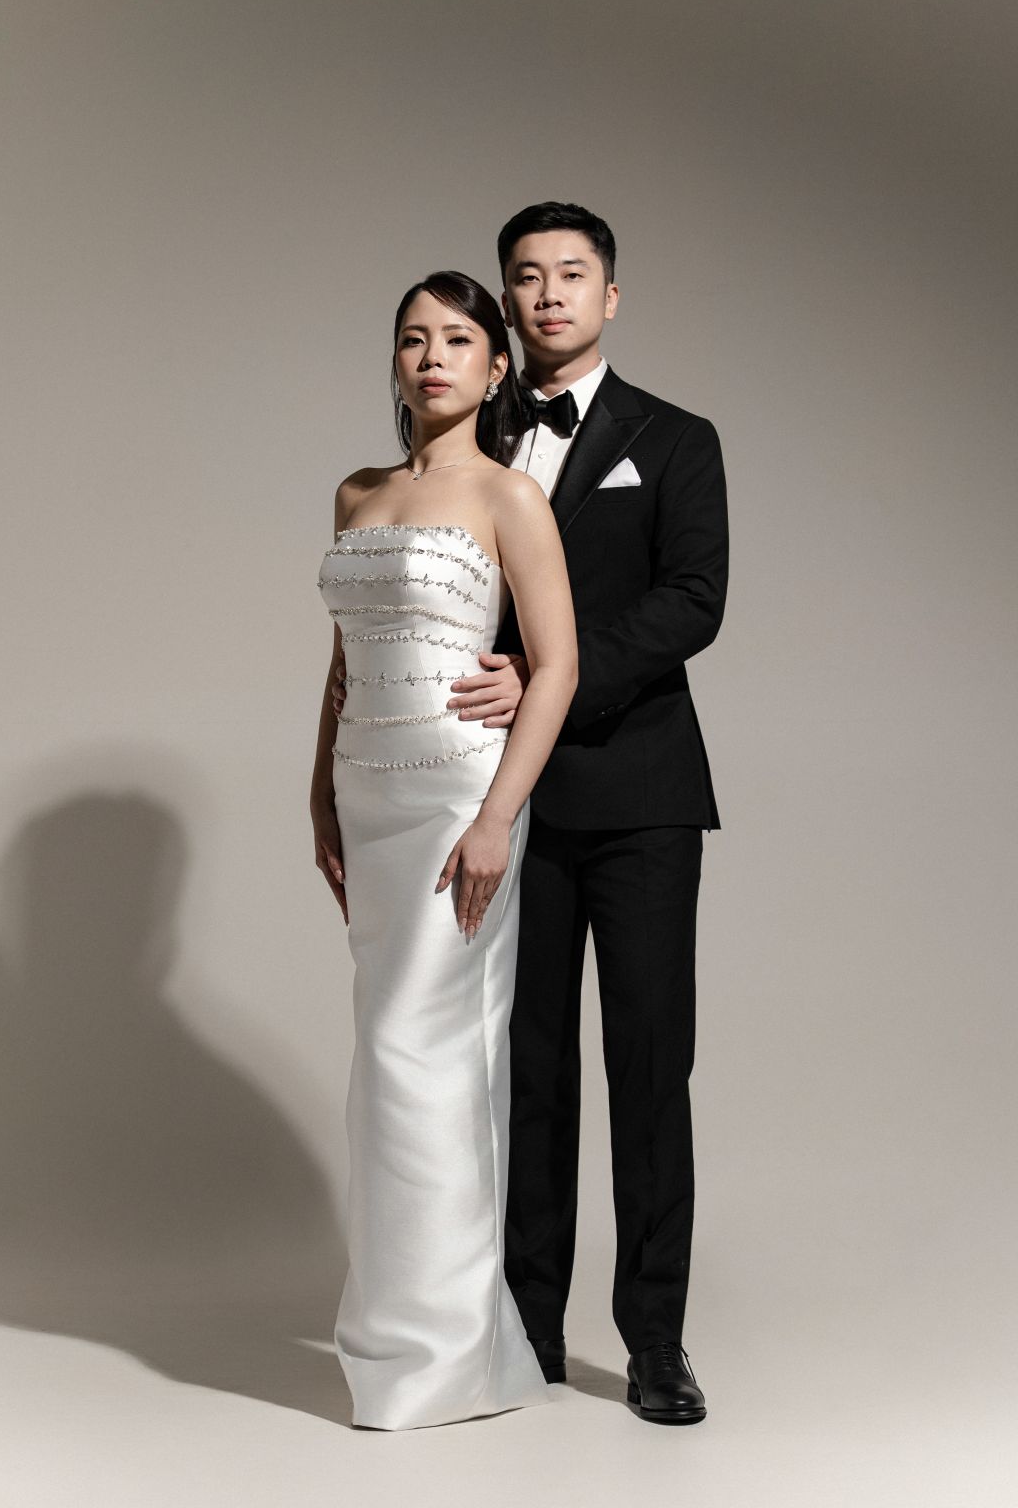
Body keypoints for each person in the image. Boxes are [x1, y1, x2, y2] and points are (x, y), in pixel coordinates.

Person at [447, 203, 729, 1424]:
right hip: (505, 795)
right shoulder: (470, 436)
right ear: (506, 300)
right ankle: (529, 1326)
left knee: (648, 1065)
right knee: (530, 1068)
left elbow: (693, 600)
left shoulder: (674, 438)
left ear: (609, 296)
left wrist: (549, 672)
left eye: (571, 273)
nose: (549, 292)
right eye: (527, 276)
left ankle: (655, 1340)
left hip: (641, 793)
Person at [310, 270, 578, 1431]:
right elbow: (342, 660)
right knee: (383, 1057)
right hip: (365, 792)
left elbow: (555, 668)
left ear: (494, 364)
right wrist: (317, 789)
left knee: (426, 1053)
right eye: (413, 339)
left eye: (457, 340)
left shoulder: (510, 495)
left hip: (456, 797)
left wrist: (497, 817)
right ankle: (396, 1339)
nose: (432, 358)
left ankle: (447, 1356)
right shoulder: (355, 492)